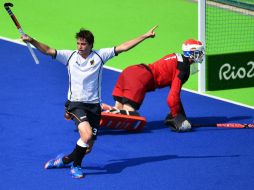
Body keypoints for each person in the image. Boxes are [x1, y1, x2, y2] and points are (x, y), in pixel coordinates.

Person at [21, 25, 158, 179]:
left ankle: (64, 160)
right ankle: (76, 165)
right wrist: (31, 40)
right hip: (76, 104)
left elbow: (124, 47)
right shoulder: (70, 56)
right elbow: (48, 50)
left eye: (83, 44)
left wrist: (145, 36)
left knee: (87, 147)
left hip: (94, 107)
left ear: (91, 45)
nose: (80, 47)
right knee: (86, 136)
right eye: (78, 43)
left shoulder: (100, 56)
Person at [109, 39, 205, 132]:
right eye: (199, 52)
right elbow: (173, 97)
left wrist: (182, 116)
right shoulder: (183, 68)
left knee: (118, 109)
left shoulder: (177, 57)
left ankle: (107, 110)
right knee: (128, 113)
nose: (201, 55)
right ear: (191, 53)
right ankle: (98, 112)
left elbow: (175, 97)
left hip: (129, 71)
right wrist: (177, 116)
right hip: (139, 77)